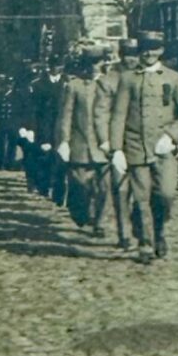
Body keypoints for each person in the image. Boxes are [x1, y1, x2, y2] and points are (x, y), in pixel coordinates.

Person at [109, 31, 178, 264]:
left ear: (161, 50)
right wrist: (116, 149)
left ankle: (159, 232)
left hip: (163, 149)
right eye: (145, 48)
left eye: (154, 48)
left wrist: (171, 135)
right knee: (141, 198)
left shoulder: (173, 78)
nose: (149, 53)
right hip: (135, 147)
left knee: (166, 195)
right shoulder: (128, 79)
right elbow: (118, 116)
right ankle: (145, 245)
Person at [57, 45, 110, 235]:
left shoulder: (111, 84)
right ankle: (81, 211)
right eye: (89, 63)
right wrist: (64, 141)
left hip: (106, 145)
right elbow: (66, 115)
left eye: (97, 62)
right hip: (81, 144)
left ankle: (100, 223)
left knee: (105, 187)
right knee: (81, 185)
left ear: (103, 63)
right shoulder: (75, 86)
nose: (93, 66)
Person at [94, 39, 141, 250]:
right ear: (121, 56)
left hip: (142, 142)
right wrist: (105, 141)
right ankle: (124, 234)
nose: (132, 59)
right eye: (128, 55)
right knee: (120, 189)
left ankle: (140, 224)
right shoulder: (109, 80)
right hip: (117, 142)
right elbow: (101, 113)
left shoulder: (147, 76)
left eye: (135, 55)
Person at [31, 61, 67, 204]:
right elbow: (34, 110)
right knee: (44, 158)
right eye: (54, 66)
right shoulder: (38, 84)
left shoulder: (67, 83)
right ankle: (43, 187)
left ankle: (59, 193)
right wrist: (33, 129)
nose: (56, 69)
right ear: (49, 68)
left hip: (61, 125)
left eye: (59, 66)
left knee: (60, 160)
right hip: (44, 126)